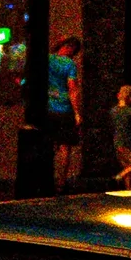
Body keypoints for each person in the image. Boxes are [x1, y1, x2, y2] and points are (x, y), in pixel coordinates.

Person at [47, 35, 83, 186]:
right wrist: (77, 112)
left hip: (47, 108)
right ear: (70, 48)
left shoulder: (47, 59)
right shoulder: (69, 64)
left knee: (48, 144)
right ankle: (61, 182)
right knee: (64, 147)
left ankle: (46, 179)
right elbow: (72, 89)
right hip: (64, 109)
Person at [110, 81, 131, 186]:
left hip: (117, 142)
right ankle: (119, 176)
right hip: (128, 142)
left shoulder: (113, 111)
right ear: (130, 97)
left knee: (126, 166)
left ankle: (128, 188)